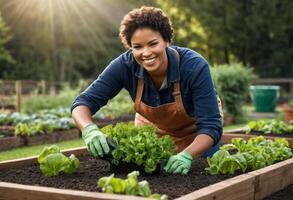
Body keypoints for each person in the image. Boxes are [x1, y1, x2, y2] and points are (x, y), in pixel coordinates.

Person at [71, 6, 223, 175]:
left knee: (203, 176)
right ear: (130, 47)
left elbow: (210, 127)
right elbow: (83, 103)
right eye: (137, 47)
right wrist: (89, 129)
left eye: (153, 44)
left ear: (166, 40)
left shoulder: (194, 66)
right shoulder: (124, 65)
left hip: (197, 138)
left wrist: (187, 155)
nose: (146, 53)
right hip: (155, 135)